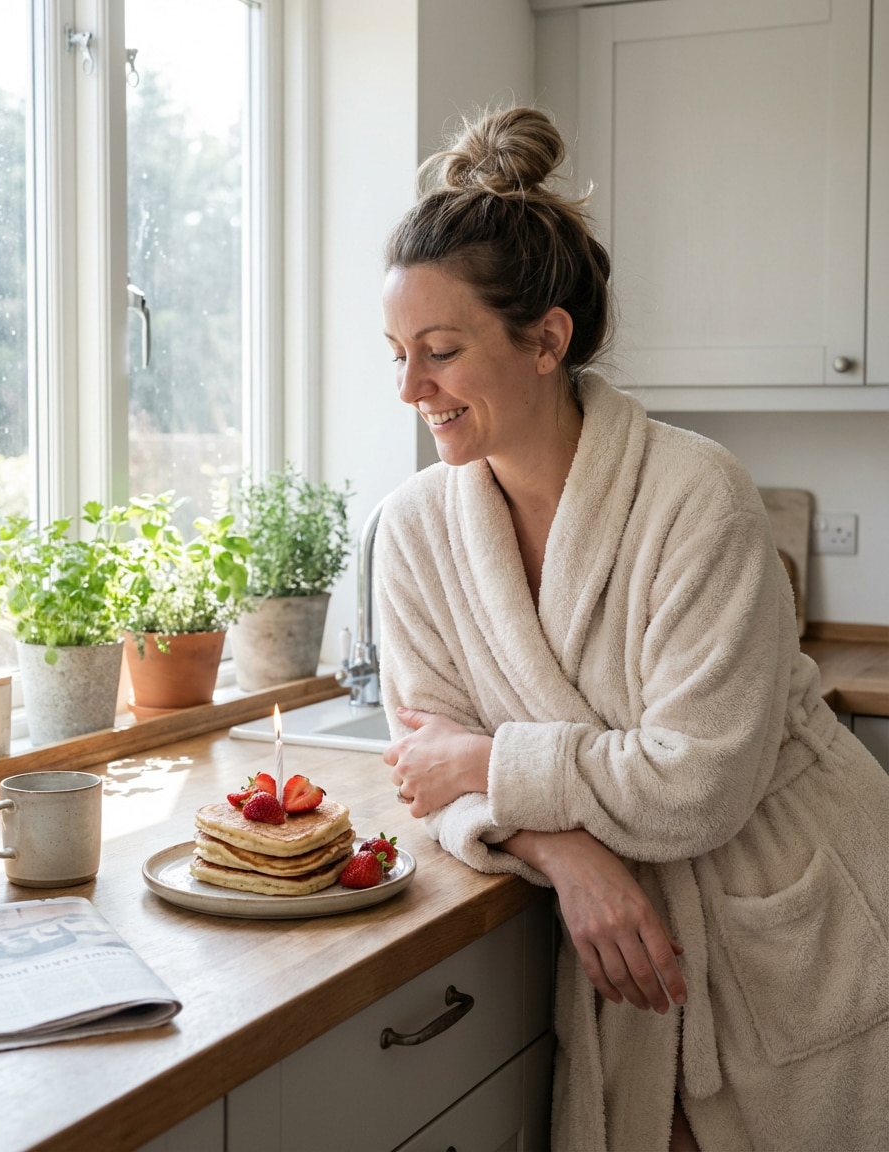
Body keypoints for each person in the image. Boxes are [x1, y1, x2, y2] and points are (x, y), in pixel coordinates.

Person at [374, 105, 889, 1152]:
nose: (409, 390)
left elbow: (694, 783)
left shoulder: (696, 495)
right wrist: (568, 854)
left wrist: (490, 763)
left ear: (545, 341)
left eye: (438, 351)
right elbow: (429, 774)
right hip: (619, 925)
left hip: (780, 897)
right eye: (395, 354)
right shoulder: (413, 529)